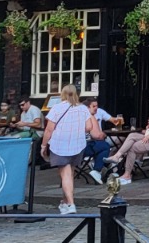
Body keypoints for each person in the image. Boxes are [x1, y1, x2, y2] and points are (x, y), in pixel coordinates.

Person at [42, 85, 106, 215]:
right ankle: (65, 202)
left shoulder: (57, 108)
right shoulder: (83, 108)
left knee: (65, 175)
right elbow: (89, 127)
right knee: (69, 174)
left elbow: (49, 129)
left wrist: (43, 145)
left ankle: (71, 204)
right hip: (77, 145)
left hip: (60, 144)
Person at [82, 99, 119, 184]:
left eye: (96, 106)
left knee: (101, 145)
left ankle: (106, 165)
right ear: (87, 108)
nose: (96, 108)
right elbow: (97, 136)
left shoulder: (77, 115)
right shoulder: (90, 117)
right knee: (104, 146)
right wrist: (103, 134)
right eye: (93, 106)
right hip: (83, 148)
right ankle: (97, 170)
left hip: (70, 149)